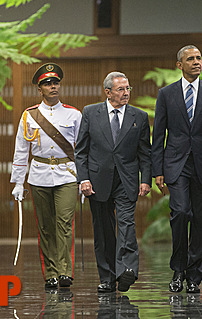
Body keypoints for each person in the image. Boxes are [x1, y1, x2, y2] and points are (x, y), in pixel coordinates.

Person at [151, 45, 202, 294]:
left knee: (201, 221)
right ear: (179, 65)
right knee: (181, 212)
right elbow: (158, 134)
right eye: (190, 59)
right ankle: (178, 270)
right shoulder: (166, 94)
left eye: (198, 58)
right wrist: (157, 170)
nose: (196, 62)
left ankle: (194, 276)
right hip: (176, 165)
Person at [74, 72, 151, 293]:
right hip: (97, 181)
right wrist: (84, 179)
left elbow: (145, 152)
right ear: (108, 92)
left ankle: (127, 270)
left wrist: (145, 179)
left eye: (128, 89)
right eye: (121, 89)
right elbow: (81, 150)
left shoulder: (140, 116)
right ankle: (107, 277)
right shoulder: (90, 112)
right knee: (104, 230)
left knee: (127, 224)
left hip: (127, 180)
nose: (126, 93)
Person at [10, 63, 82, 289]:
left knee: (64, 223)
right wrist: (18, 182)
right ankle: (50, 272)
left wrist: (84, 178)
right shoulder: (29, 116)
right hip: (39, 175)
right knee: (46, 226)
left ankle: (65, 271)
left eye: (55, 82)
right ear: (39, 89)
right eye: (47, 84)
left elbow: (81, 149)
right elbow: (21, 151)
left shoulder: (74, 114)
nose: (53, 87)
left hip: (67, 175)